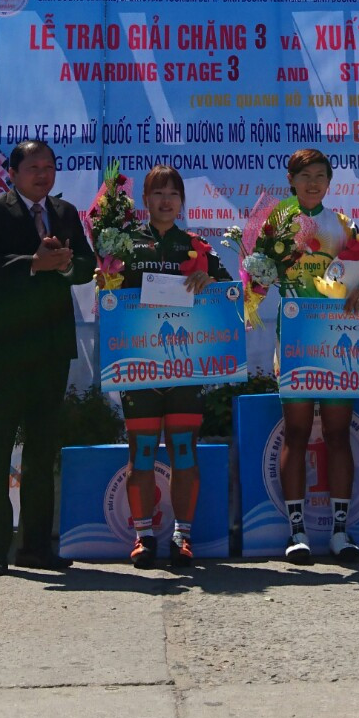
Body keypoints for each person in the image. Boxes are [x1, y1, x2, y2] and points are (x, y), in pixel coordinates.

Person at [0, 139, 98, 576]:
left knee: (42, 450)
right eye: (34, 167)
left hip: (51, 347)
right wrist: (33, 264)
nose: (43, 174)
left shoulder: (65, 212)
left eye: (49, 167)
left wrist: (65, 265)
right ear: (13, 173)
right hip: (6, 348)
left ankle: (36, 547)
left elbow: (87, 265)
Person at [271, 147, 359, 563]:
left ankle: (340, 531)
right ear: (290, 180)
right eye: (305, 176)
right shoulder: (275, 223)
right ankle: (296, 532)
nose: (313, 183)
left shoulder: (342, 224)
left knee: (338, 433)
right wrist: (256, 282)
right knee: (297, 433)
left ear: (330, 182)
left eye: (320, 175)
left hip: (338, 341)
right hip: (295, 341)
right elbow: (256, 275)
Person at [117, 163, 231, 568]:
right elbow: (109, 298)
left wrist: (211, 284)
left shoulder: (197, 247)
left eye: (173, 194)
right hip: (140, 370)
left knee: (184, 453)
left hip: (185, 371)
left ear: (182, 201)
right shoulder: (124, 245)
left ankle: (182, 537)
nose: (166, 201)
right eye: (158, 193)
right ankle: (144, 536)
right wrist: (104, 279)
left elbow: (232, 296)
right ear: (145, 200)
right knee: (142, 455)